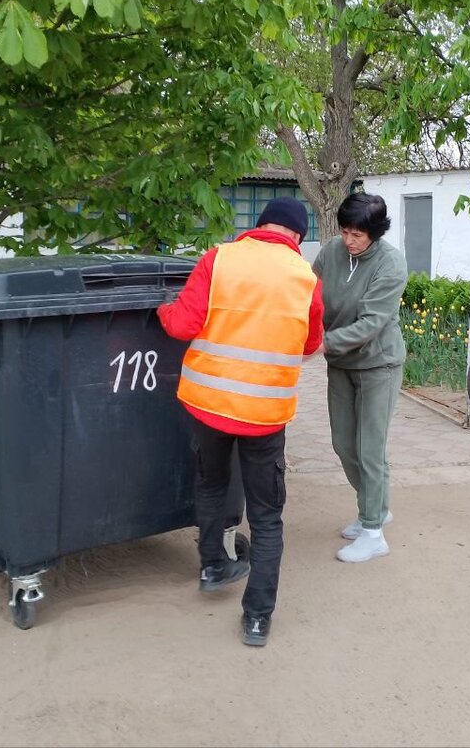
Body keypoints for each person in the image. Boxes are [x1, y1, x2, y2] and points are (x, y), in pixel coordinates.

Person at [157, 196, 324, 647]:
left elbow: (181, 325)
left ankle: (213, 565)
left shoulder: (220, 258)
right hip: (264, 415)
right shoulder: (306, 279)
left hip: (208, 405)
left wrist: (162, 309)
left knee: (211, 485)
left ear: (259, 225)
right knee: (267, 517)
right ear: (297, 237)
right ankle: (256, 618)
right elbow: (310, 345)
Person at [311, 192, 408, 563]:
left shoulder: (390, 264)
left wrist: (321, 343)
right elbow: (311, 296)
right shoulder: (331, 253)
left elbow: (370, 323)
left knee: (369, 448)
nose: (349, 241)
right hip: (341, 363)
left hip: (378, 364)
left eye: (358, 235)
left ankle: (373, 532)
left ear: (376, 233)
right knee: (343, 445)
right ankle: (377, 507)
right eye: (345, 231)